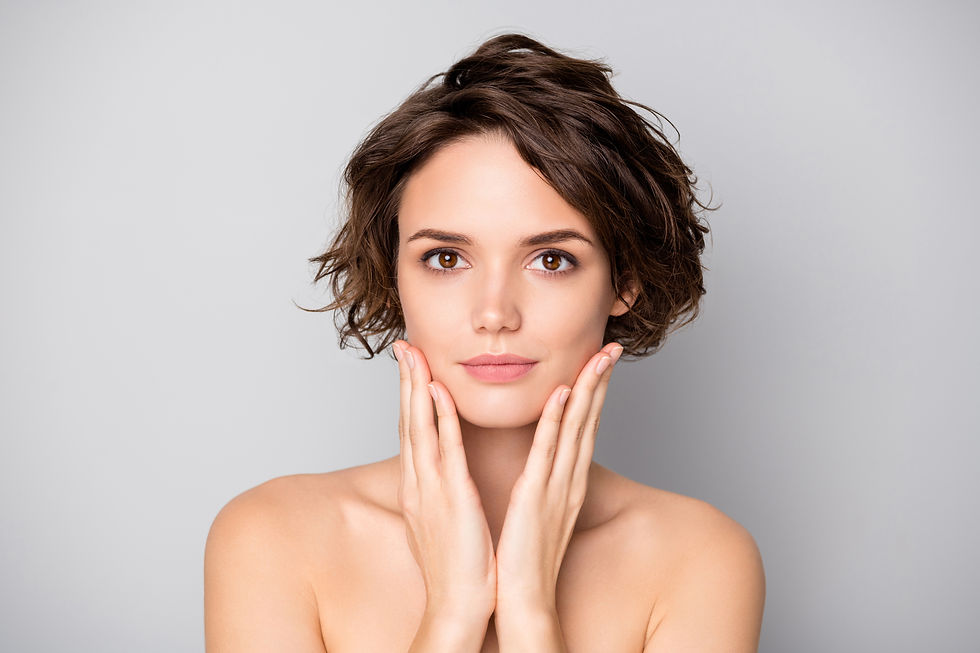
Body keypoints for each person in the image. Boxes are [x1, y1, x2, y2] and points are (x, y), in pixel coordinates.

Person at [204, 32, 765, 652]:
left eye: (551, 259)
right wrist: (453, 612)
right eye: (446, 258)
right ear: (394, 275)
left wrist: (528, 611)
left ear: (622, 282)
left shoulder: (700, 558)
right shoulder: (271, 539)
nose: (494, 313)